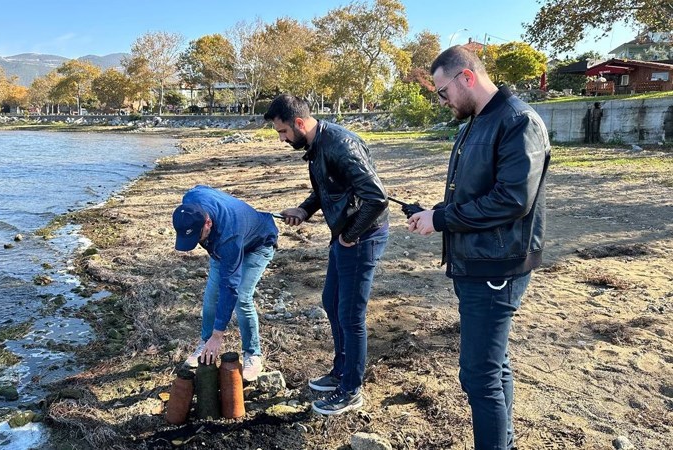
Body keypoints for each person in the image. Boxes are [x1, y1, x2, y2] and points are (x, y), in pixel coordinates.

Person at [408, 46, 550, 449]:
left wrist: (444, 219)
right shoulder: (476, 121)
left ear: (466, 77)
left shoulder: (517, 121)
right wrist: (435, 213)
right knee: (494, 366)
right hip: (477, 260)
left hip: (497, 266)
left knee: (477, 375)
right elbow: (476, 192)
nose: (443, 100)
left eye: (442, 91)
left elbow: (511, 200)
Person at [263, 94, 389, 415]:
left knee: (350, 314)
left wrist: (349, 236)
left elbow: (377, 198)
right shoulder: (317, 146)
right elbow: (325, 189)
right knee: (330, 301)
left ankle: (351, 389)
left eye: (283, 132)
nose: (281, 139)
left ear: (300, 123)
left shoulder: (340, 145)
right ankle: (341, 372)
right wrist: (304, 211)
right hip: (345, 236)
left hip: (362, 237)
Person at [173, 185, 278, 383]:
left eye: (198, 238)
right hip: (222, 243)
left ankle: (253, 354)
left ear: (208, 223)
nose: (197, 243)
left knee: (242, 297)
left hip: (258, 245)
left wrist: (218, 335)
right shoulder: (191, 200)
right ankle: (205, 343)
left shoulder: (229, 236)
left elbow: (230, 287)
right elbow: (201, 189)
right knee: (211, 296)